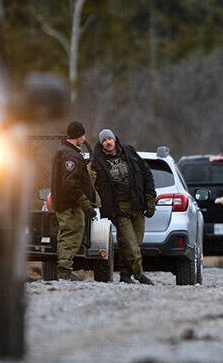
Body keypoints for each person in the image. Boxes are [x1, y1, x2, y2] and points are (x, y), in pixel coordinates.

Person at [91, 128, 156, 285]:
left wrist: (150, 199)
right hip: (119, 209)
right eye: (104, 140)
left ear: (114, 139)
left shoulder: (129, 152)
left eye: (109, 139)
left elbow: (146, 173)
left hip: (138, 205)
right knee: (131, 244)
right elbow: (93, 185)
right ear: (101, 144)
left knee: (135, 244)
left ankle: (125, 275)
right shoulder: (97, 162)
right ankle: (140, 275)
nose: (107, 142)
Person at [51, 121, 97, 281]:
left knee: (67, 233)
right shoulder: (70, 155)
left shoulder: (63, 152)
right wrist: (84, 203)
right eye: (82, 135)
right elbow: (70, 184)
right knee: (72, 232)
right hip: (69, 205)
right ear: (77, 136)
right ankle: (64, 271)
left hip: (64, 203)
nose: (84, 138)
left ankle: (64, 269)